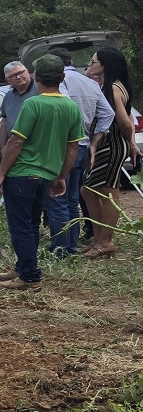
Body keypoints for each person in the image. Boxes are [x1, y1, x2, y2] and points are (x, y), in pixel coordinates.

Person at [0, 55, 84, 289]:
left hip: (22, 174)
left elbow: (16, 142)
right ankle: (24, 267)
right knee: (32, 224)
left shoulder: (32, 104)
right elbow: (72, 146)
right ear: (63, 78)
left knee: (21, 225)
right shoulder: (72, 106)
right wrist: (61, 176)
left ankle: (30, 276)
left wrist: (0, 173)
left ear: (36, 77)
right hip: (47, 175)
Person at [45, 47, 114, 255]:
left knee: (56, 197)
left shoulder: (60, 81)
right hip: (83, 146)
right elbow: (107, 113)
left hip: (62, 146)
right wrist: (94, 141)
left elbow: (65, 106)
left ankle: (61, 248)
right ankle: (71, 244)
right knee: (72, 198)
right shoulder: (90, 83)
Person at [80, 47, 140, 258]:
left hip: (113, 143)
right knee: (89, 191)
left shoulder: (114, 88)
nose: (91, 64)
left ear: (105, 65)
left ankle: (105, 241)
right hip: (107, 143)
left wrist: (130, 142)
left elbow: (125, 121)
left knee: (109, 192)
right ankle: (98, 239)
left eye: (94, 61)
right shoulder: (107, 85)